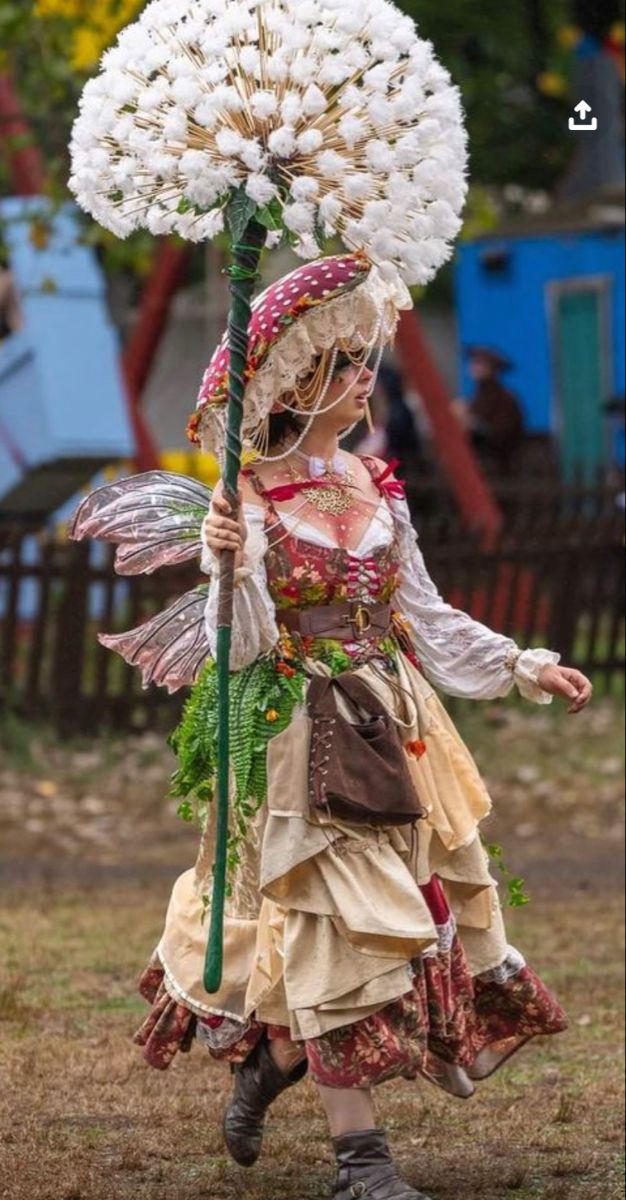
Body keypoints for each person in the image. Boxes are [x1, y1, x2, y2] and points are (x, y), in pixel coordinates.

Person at [74, 255, 592, 1200]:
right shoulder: (247, 501)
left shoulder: (376, 484)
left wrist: (522, 665)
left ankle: (270, 1062)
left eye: (364, 363)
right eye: (349, 365)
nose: (365, 380)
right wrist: (228, 565)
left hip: (395, 722)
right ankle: (364, 1164)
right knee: (331, 928)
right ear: (300, 384)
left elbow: (423, 613)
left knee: (414, 912)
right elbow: (239, 647)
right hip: (292, 727)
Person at [453, 347, 525, 478]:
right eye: (473, 363)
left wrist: (473, 424)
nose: (474, 367)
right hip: (477, 463)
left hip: (497, 465)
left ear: (492, 369)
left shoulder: (504, 398)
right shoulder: (476, 397)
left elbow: (503, 434)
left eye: (479, 363)